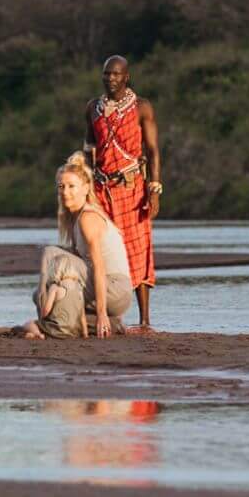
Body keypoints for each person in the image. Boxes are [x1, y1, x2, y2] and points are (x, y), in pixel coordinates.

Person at [85, 55, 162, 329]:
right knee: (102, 252)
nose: (111, 79)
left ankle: (144, 321)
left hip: (132, 190)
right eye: (107, 74)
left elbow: (152, 151)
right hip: (101, 191)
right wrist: (84, 185)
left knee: (139, 251)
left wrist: (154, 189)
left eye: (116, 74)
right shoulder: (93, 109)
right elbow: (89, 149)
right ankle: (107, 315)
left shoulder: (142, 108)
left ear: (126, 77)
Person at [22, 153, 131, 339]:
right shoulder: (74, 220)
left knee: (52, 255)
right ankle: (108, 324)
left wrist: (103, 313)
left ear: (86, 188)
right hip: (100, 286)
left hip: (114, 287)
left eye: (72, 186)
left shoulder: (88, 218)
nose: (65, 192)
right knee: (39, 293)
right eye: (61, 187)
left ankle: (46, 325)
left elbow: (98, 266)